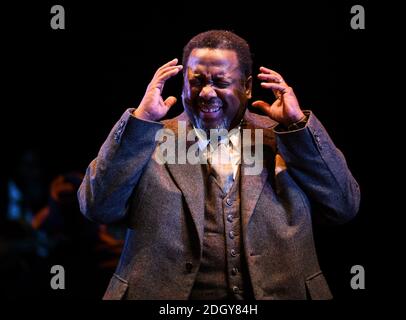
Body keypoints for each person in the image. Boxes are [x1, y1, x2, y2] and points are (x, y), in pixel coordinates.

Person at [78, 30, 360, 300]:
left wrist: (298, 126)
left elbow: (342, 206)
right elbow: (97, 206)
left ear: (247, 87)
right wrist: (140, 121)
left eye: (221, 83)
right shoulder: (149, 138)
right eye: (197, 82)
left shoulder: (285, 138)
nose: (206, 93)